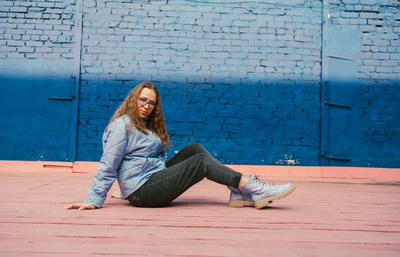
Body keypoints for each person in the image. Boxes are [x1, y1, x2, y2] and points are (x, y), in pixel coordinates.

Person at [66, 82, 295, 210]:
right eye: (142, 100)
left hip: (149, 180)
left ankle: (238, 193)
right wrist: (94, 199)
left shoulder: (145, 124)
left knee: (194, 148)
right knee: (200, 162)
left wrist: (125, 189)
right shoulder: (122, 126)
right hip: (144, 193)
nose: (147, 106)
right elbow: (109, 164)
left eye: (151, 103)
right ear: (133, 99)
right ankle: (253, 187)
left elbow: (139, 161)